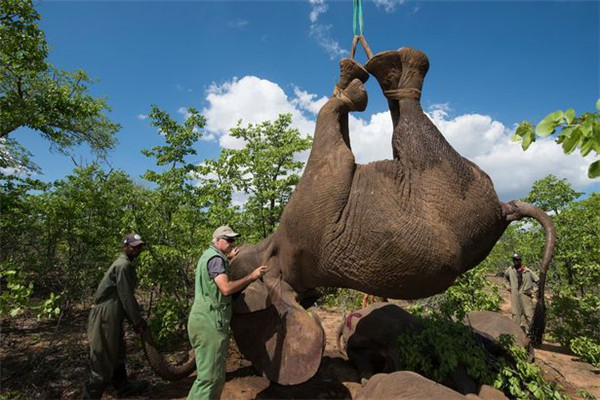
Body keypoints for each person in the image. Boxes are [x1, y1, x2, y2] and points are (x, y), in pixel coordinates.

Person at [187, 226, 268, 400]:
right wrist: (252, 277)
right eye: (228, 239)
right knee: (210, 379)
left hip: (205, 319)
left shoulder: (210, 256)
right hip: (210, 322)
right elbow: (225, 288)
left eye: (233, 240)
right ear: (217, 240)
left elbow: (214, 275)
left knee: (212, 377)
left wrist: (227, 258)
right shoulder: (216, 259)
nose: (232, 243)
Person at [83, 233, 150, 399]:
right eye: (134, 247)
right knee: (103, 356)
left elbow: (123, 297)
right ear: (126, 247)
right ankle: (90, 396)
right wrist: (137, 321)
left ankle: (123, 387)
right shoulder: (123, 265)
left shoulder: (125, 264)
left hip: (113, 312)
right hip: (106, 314)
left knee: (118, 351)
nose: (137, 250)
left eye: (140, 246)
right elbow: (126, 296)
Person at [504, 253, 539, 333]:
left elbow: (538, 281)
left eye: (517, 260)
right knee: (515, 314)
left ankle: (530, 333)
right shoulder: (510, 269)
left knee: (528, 314)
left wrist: (532, 291)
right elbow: (505, 278)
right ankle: (515, 333)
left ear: (520, 260)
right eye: (514, 259)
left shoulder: (528, 271)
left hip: (525, 295)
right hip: (515, 294)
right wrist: (509, 287)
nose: (515, 261)